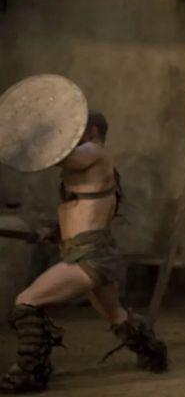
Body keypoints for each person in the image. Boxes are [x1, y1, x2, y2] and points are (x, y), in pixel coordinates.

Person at [0, 111, 167, 393]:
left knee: (26, 302)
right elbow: (81, 212)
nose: (72, 134)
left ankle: (31, 372)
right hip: (86, 251)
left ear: (92, 130)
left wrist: (30, 136)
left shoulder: (94, 152)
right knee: (115, 315)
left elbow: (57, 156)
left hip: (90, 256)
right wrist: (54, 232)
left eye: (78, 128)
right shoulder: (86, 166)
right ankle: (153, 353)